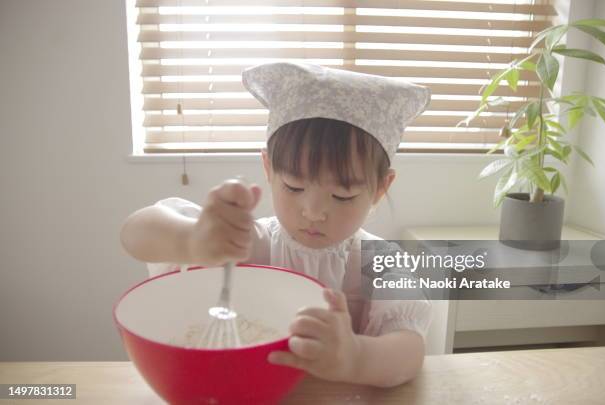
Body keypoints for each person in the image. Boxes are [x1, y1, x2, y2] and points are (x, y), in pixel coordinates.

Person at [120, 61, 432, 388]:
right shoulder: (250, 244)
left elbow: (409, 351)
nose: (313, 212)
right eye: (294, 187)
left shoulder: (378, 262)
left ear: (380, 189)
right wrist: (190, 240)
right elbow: (134, 233)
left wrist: (355, 357)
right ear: (268, 169)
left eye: (343, 195)